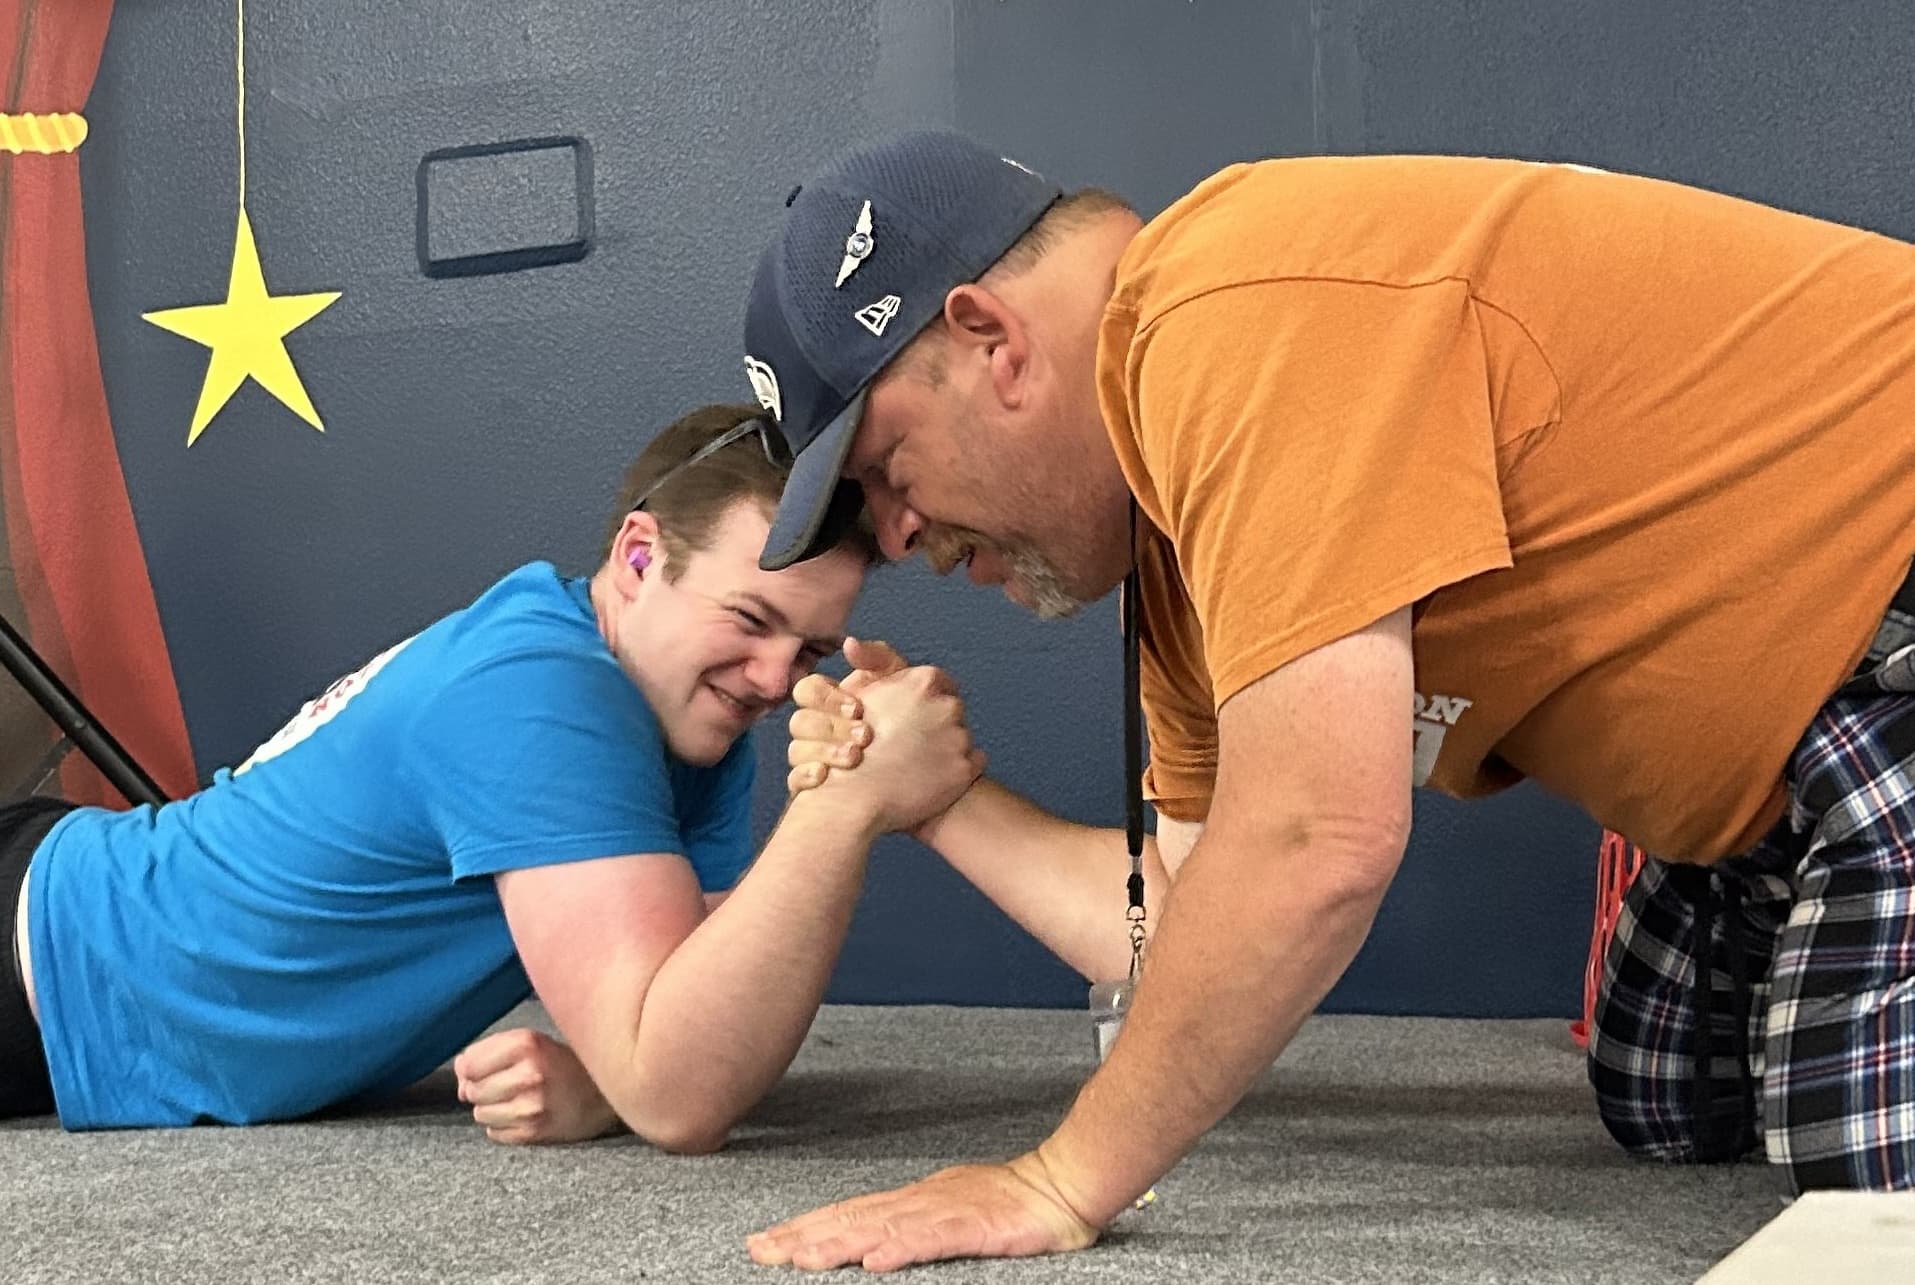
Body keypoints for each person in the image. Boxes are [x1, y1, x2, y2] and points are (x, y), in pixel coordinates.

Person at [736, 130, 1915, 1271]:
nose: (900, 537)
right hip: (1770, 785)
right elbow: (1194, 916)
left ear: (991, 339)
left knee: (1861, 1190)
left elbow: (1314, 841)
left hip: (1884, 644)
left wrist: (1056, 1179)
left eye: (885, 471)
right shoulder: (1181, 563)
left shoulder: (1228, 307)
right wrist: (942, 801)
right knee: (1662, 1094)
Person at [0, 402, 986, 1149]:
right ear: (638, 558)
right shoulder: (540, 690)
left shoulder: (693, 706)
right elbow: (681, 1087)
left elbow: (705, 1018)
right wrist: (845, 804)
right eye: (751, 619)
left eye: (808, 650)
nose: (776, 679)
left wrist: (610, 1081)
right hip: (37, 952)